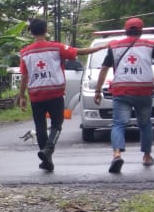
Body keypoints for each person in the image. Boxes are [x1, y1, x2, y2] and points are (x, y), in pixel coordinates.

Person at [94, 17, 154, 173]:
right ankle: (147, 157)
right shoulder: (150, 46)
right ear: (141, 31)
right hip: (144, 91)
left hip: (121, 90)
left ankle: (116, 154)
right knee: (145, 123)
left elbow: (104, 69)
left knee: (119, 124)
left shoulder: (114, 47)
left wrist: (97, 90)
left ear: (125, 30)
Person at [17, 18, 101, 171]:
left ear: (31, 32)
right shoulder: (56, 47)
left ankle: (46, 159)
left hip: (36, 94)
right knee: (57, 124)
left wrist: (21, 96)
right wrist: (101, 48)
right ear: (46, 30)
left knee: (40, 126)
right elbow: (80, 52)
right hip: (55, 93)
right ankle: (48, 149)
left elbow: (24, 77)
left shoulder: (25, 53)